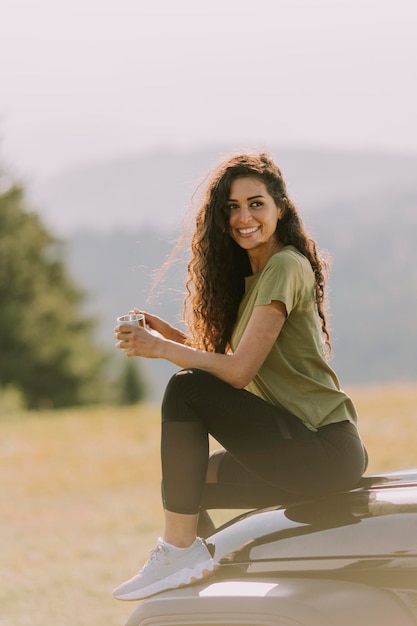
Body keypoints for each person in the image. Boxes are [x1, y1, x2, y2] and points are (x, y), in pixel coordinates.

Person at [113, 152, 368, 602]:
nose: (243, 217)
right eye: (232, 207)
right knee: (189, 481)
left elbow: (238, 371)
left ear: (280, 209)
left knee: (185, 388)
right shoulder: (254, 277)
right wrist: (169, 335)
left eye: (256, 204)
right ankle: (207, 589)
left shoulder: (286, 265)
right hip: (298, 444)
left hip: (324, 447)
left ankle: (177, 551)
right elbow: (233, 357)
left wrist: (164, 350)